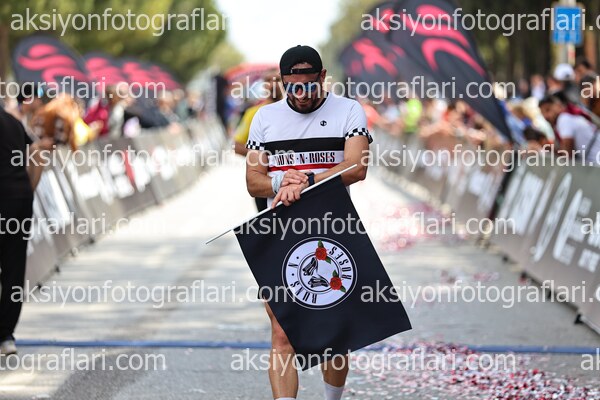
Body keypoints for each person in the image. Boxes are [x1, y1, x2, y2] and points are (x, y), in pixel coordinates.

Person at [245, 45, 371, 400]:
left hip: (333, 229)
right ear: (282, 82)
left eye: (309, 86)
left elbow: (357, 166)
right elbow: (253, 181)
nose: (301, 95)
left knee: (334, 332)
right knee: (282, 332)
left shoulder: (348, 110)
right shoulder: (264, 118)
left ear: (323, 77)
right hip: (280, 231)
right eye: (293, 87)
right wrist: (279, 182)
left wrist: (307, 181)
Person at [0, 105, 54, 355]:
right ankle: (6, 336)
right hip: (19, 198)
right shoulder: (13, 122)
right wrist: (28, 190)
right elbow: (38, 154)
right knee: (13, 268)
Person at [234, 72, 283, 211]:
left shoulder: (297, 110)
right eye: (268, 80)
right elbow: (237, 146)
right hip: (266, 185)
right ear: (263, 85)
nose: (273, 84)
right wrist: (263, 157)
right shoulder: (253, 113)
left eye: (277, 80)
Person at [539, 94, 600, 165]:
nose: (546, 116)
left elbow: (567, 156)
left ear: (558, 105)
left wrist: (551, 150)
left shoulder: (564, 119)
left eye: (548, 110)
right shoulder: (570, 116)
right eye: (543, 114)